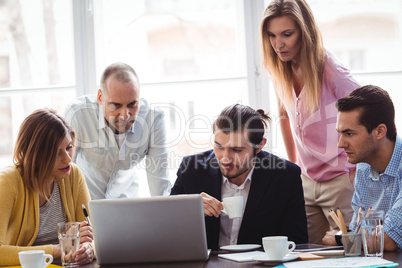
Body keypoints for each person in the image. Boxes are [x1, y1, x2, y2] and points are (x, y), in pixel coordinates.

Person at [260, 0, 359, 243]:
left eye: (287, 34)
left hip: (340, 180)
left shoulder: (331, 70)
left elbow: (366, 115)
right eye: (271, 35)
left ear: (305, 32)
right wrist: (293, 165)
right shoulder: (279, 67)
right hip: (306, 180)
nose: (278, 44)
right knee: (306, 255)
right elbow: (284, 116)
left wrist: (358, 171)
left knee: (348, 254)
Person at [171, 104, 308, 250]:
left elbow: (297, 242)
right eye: (219, 146)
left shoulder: (285, 176)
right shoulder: (191, 169)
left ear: (259, 146)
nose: (225, 158)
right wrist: (190, 211)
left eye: (236, 150)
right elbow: (167, 227)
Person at [0, 109, 94, 265]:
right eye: (56, 153)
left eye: (68, 147)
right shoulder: (8, 183)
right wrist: (60, 249)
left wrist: (89, 249)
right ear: (35, 155)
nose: (68, 158)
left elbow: (93, 236)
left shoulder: (74, 175)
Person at [64, 62, 171, 199]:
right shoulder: (77, 114)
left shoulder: (153, 119)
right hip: (86, 205)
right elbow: (64, 173)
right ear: (100, 97)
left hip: (128, 206)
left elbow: (160, 187)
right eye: (116, 105)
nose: (125, 115)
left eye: (132, 104)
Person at [322, 85, 401, 251]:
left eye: (349, 134)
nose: (340, 144)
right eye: (340, 133)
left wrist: (340, 239)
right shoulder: (363, 168)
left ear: (379, 132)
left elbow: (387, 240)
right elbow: (358, 230)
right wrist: (352, 237)